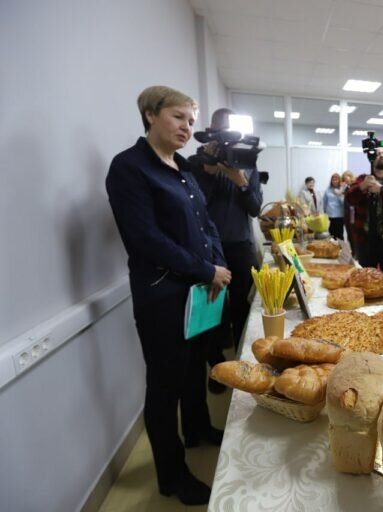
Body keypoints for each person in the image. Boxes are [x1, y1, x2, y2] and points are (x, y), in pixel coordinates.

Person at [106, 85, 231, 505]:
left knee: (194, 367)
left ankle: (196, 428)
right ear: (149, 115)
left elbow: (205, 222)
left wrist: (217, 263)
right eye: (179, 117)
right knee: (164, 386)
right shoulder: (129, 168)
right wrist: (206, 268)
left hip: (199, 290)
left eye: (191, 120)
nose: (187, 127)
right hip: (162, 296)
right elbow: (145, 240)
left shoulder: (182, 167)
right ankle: (173, 476)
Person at [190, 107, 263, 391]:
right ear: (211, 131)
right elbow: (194, 206)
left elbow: (256, 208)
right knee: (212, 308)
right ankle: (216, 366)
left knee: (243, 305)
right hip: (208, 249)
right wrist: (209, 172)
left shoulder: (247, 162)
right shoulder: (197, 162)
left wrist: (240, 181)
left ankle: (244, 361)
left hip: (241, 244)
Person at [345, 149, 383, 299]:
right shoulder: (363, 179)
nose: (381, 156)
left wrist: (381, 189)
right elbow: (349, 198)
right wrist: (363, 186)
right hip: (365, 240)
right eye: (377, 154)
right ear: (372, 160)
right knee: (364, 281)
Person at [324, 172, 346, 240]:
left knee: (339, 234)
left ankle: (342, 249)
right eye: (333, 179)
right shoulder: (328, 190)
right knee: (331, 234)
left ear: (339, 180)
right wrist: (324, 213)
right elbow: (325, 202)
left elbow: (343, 202)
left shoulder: (342, 189)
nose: (334, 181)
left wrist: (339, 194)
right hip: (330, 215)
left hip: (339, 215)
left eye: (336, 179)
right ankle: (333, 249)